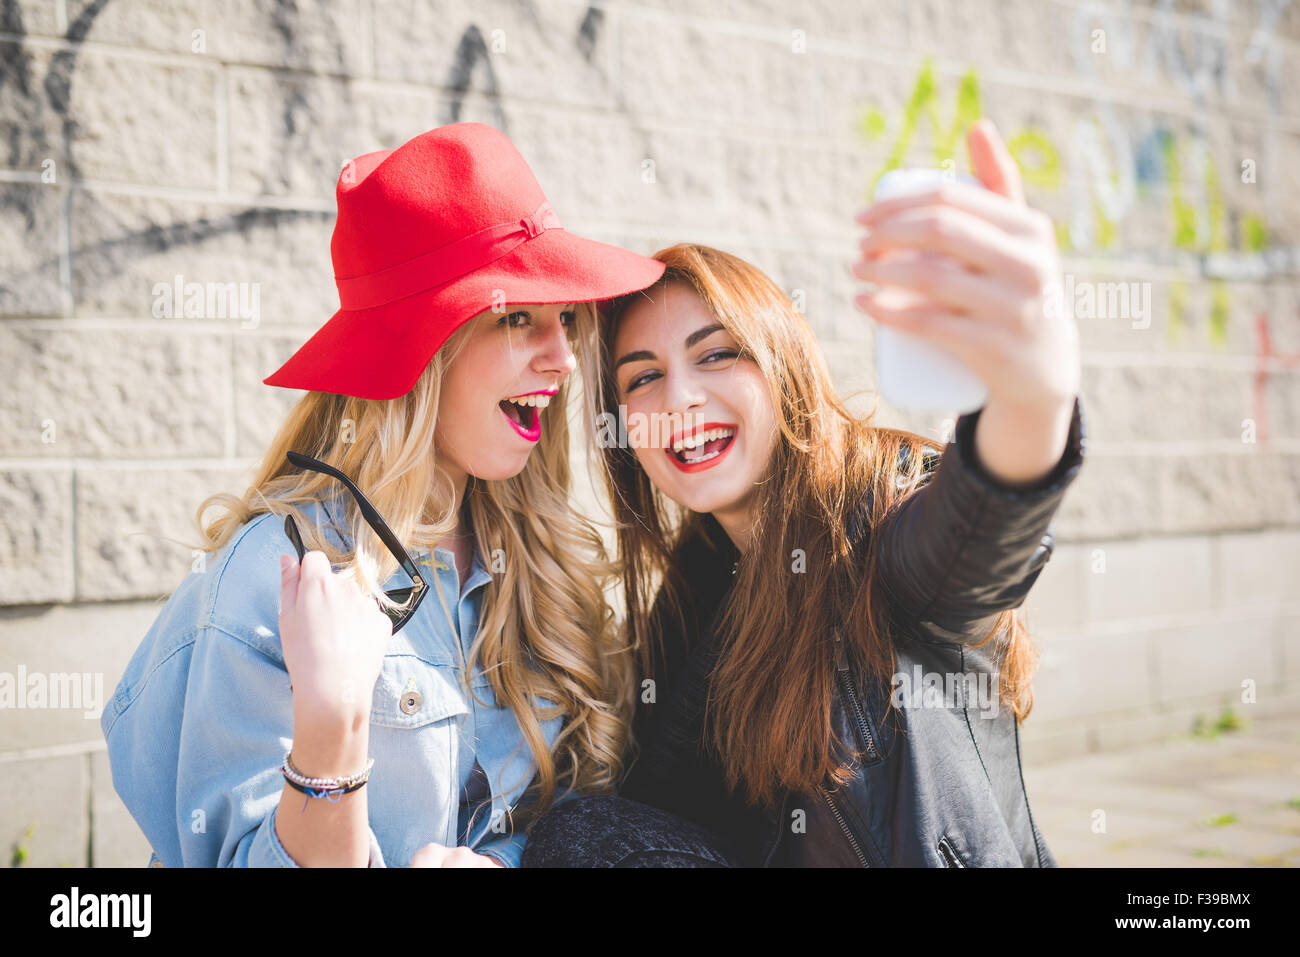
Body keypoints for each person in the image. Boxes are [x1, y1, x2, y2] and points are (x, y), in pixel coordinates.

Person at [521, 119, 1087, 867]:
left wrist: (1033, 392)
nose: (680, 397)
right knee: (577, 835)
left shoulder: (879, 514)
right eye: (643, 376)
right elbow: (658, 813)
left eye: (717, 354)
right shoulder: (699, 584)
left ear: (781, 368)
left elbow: (975, 531)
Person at [100, 122, 666, 867]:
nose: (562, 358)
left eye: (565, 321)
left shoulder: (533, 559)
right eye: (518, 317)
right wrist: (332, 730)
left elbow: (570, 817)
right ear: (422, 348)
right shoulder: (271, 578)